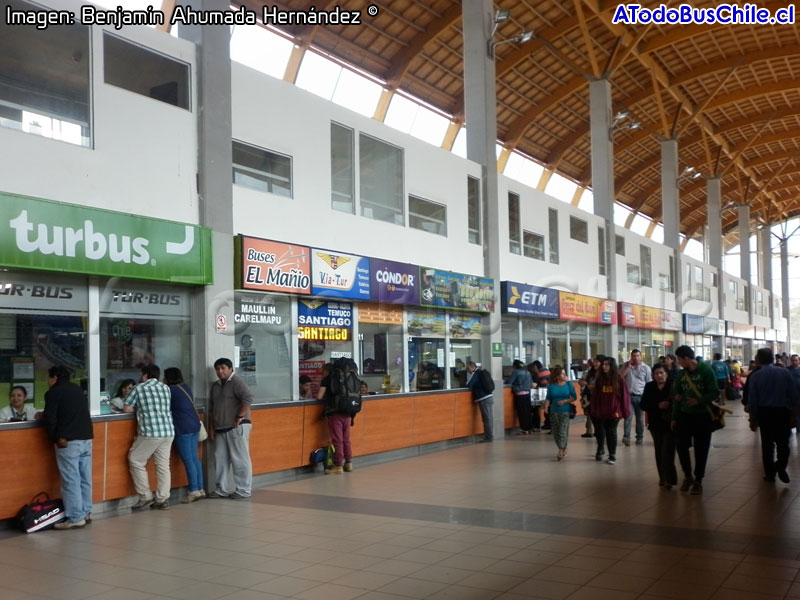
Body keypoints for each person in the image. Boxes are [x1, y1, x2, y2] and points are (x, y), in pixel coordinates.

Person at [43, 365, 93, 529]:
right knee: (85, 478)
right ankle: (86, 512)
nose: (48, 381)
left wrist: (55, 438)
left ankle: (75, 517)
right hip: (86, 439)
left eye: (49, 378)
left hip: (68, 442)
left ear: (55, 378)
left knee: (71, 480)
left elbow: (50, 419)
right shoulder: (77, 389)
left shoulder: (53, 393)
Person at [123, 364, 175, 510]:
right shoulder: (166, 388)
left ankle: (145, 496)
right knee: (163, 465)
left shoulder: (139, 388)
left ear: (145, 375)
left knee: (135, 459)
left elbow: (127, 408)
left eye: (141, 374)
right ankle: (162, 498)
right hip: (168, 431)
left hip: (151, 432)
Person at [747, 348, 800, 483]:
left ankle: (770, 475)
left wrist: (753, 420)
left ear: (758, 360)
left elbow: (753, 400)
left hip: (765, 414)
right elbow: (794, 396)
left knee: (767, 445)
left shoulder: (755, 376)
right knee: (783, 444)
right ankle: (780, 465)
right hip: (782, 412)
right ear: (772, 359)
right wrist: (794, 416)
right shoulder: (785, 373)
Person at [671, 345, 718, 495]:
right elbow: (676, 396)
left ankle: (698, 480)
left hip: (702, 416)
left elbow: (714, 392)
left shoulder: (706, 371)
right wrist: (674, 416)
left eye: (679, 359)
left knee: (701, 448)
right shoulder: (682, 374)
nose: (678, 363)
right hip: (684, 415)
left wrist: (699, 401)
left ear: (686, 358)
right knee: (681, 446)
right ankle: (687, 476)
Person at [208, 357, 254, 498]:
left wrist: (240, 416)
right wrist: (212, 427)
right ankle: (221, 489)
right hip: (221, 428)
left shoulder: (236, 381)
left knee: (240, 459)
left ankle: (243, 490)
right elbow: (212, 408)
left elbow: (248, 398)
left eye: (223, 368)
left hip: (237, 427)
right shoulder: (216, 386)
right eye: (217, 369)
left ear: (230, 368)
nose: (220, 371)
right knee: (220, 459)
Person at [165, 367, 205, 503]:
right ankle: (200, 488)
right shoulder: (186, 387)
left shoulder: (170, 390)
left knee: (188, 459)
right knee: (194, 458)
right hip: (194, 425)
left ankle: (193, 490)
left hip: (183, 427)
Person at [640, 364, 677, 489]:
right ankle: (662, 477)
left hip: (670, 424)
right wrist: (657, 405)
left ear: (666, 373)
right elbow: (643, 405)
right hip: (655, 423)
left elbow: (678, 403)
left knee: (667, 451)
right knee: (659, 451)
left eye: (661, 373)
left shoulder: (673, 386)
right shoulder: (650, 386)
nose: (659, 375)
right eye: (656, 373)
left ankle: (669, 479)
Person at [589, 357, 630, 464]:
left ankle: (612, 455)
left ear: (612, 366)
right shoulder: (600, 378)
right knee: (600, 431)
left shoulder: (618, 378)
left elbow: (624, 396)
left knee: (611, 432)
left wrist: (625, 411)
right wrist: (594, 409)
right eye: (603, 364)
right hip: (600, 411)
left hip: (614, 411)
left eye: (607, 364)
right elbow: (595, 396)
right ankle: (600, 448)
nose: (604, 366)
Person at [318, 363, 353, 473]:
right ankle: (348, 463)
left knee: (337, 440)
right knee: (346, 439)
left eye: (322, 371)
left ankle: (338, 465)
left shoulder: (327, 379)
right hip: (347, 412)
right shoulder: (344, 379)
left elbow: (318, 396)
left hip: (335, 414)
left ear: (326, 371)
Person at [620, 349, 651, 446]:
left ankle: (639, 437)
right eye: (633, 356)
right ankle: (626, 437)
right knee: (627, 417)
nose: (635, 358)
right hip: (628, 396)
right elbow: (620, 376)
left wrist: (647, 397)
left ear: (641, 356)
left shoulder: (646, 368)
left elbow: (648, 383)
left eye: (637, 356)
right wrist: (628, 367)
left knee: (639, 418)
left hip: (640, 396)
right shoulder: (626, 365)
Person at [544, 366, 576, 460]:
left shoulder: (568, 384)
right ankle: (562, 448)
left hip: (565, 411)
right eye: (562, 373)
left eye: (564, 373)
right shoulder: (551, 386)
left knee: (562, 431)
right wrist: (546, 407)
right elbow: (548, 398)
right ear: (557, 375)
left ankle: (561, 450)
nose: (564, 375)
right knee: (556, 432)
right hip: (554, 411)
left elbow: (574, 397)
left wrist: (564, 401)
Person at [466, 360, 494, 443]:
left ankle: (489, 437)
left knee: (486, 419)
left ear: (472, 366)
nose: (467, 371)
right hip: (489, 397)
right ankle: (489, 436)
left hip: (484, 398)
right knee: (489, 418)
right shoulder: (482, 372)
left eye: (468, 368)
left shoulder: (476, 373)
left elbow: (469, 385)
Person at [578, 356, 603, 438]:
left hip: (601, 398)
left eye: (597, 362)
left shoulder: (604, 373)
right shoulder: (589, 372)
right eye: (594, 362)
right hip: (589, 397)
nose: (595, 363)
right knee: (590, 413)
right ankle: (590, 431)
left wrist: (593, 386)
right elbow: (581, 381)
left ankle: (599, 430)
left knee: (599, 415)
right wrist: (584, 383)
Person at [508, 359, 533, 435]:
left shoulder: (515, 372)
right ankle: (529, 428)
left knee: (522, 412)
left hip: (519, 394)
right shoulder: (528, 372)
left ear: (515, 366)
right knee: (528, 411)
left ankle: (524, 428)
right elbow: (531, 383)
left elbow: (509, 382)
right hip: (527, 393)